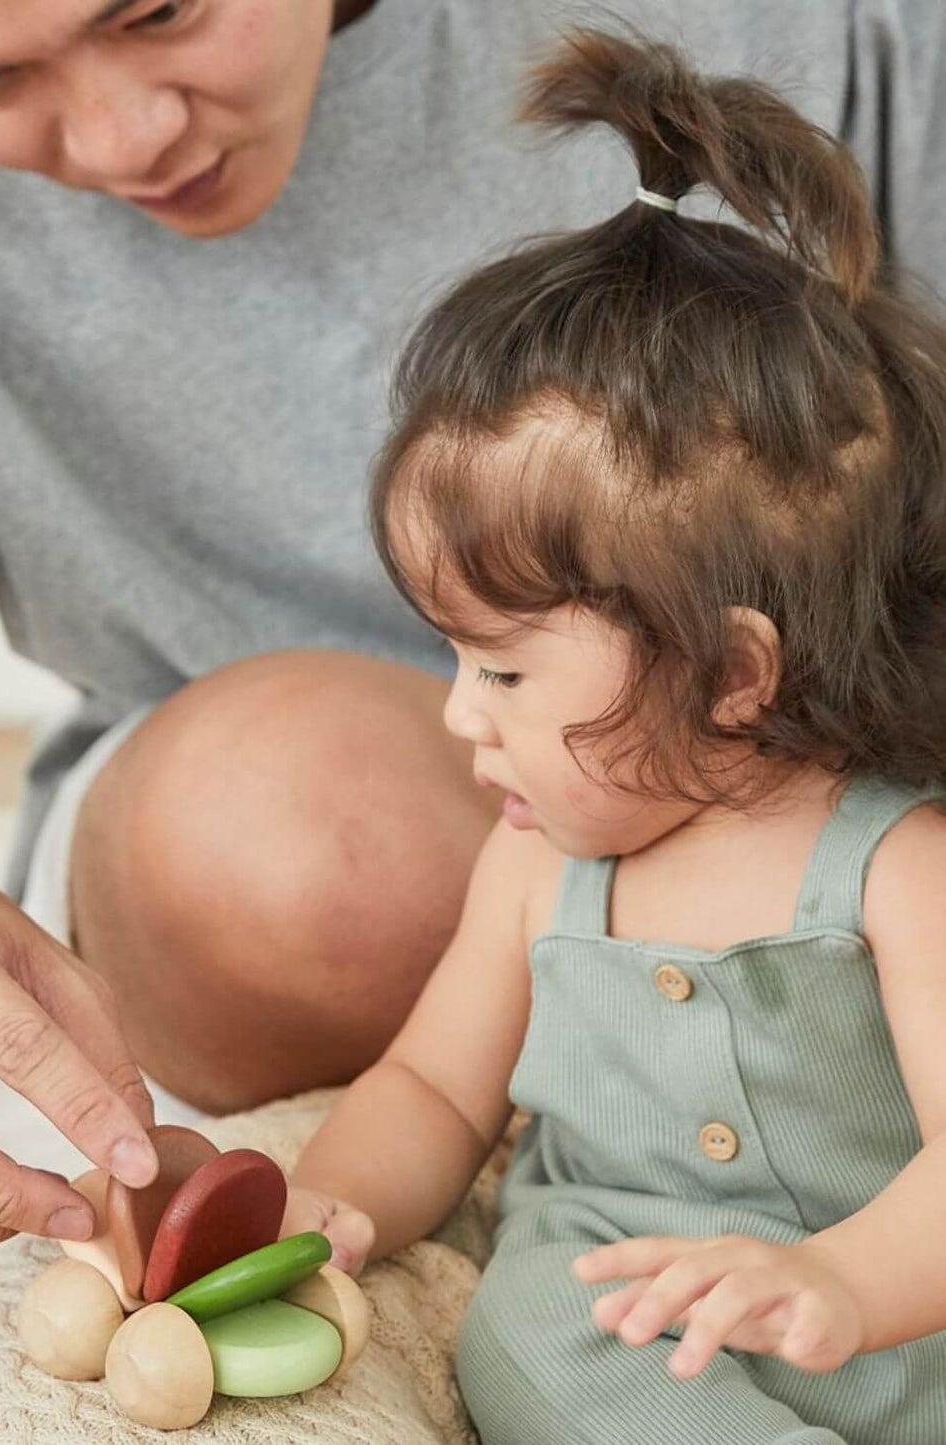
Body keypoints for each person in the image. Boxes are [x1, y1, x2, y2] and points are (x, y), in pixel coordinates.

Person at [0, 0, 945, 1255]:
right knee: (295, 838)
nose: (125, 137)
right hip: (257, 838)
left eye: (164, 8)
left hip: (837, 751)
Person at [284, 27, 946, 1445]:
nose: (459, 711)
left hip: (897, 1296)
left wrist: (840, 1275)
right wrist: (321, 1201)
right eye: (452, 658)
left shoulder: (891, 860)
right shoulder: (536, 863)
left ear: (726, 670)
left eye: (506, 672)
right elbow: (427, 1087)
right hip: (633, 1309)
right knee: (527, 1337)